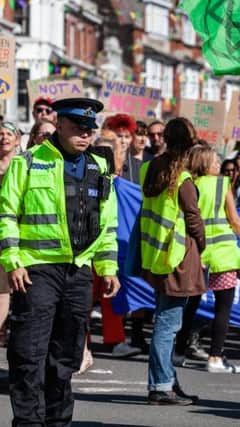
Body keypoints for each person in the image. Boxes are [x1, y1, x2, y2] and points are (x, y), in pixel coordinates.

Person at [0, 97, 120, 426]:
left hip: (79, 271)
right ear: (60, 124)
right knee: (28, 355)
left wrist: (108, 267)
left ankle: (58, 422)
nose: (85, 135)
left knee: (64, 358)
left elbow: (108, 223)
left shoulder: (100, 167)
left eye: (90, 130)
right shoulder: (27, 162)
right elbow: (6, 214)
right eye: (78, 128)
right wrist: (13, 261)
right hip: (36, 270)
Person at [140, 117, 204, 405]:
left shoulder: (150, 168)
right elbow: (194, 220)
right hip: (178, 258)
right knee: (167, 326)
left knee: (165, 322)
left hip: (156, 256)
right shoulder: (183, 179)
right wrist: (200, 244)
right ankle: (160, 386)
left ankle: (168, 382)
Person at [187, 145, 240, 373]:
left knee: (190, 304)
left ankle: (180, 350)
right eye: (215, 162)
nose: (219, 166)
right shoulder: (221, 184)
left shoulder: (189, 185)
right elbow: (235, 219)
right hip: (223, 254)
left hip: (197, 252)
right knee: (223, 307)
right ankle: (215, 357)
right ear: (204, 163)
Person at [0, 121, 22, 347]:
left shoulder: (22, 166)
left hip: (15, 234)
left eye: (8, 134)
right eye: (0, 134)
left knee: (7, 288)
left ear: (17, 139)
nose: (4, 138)